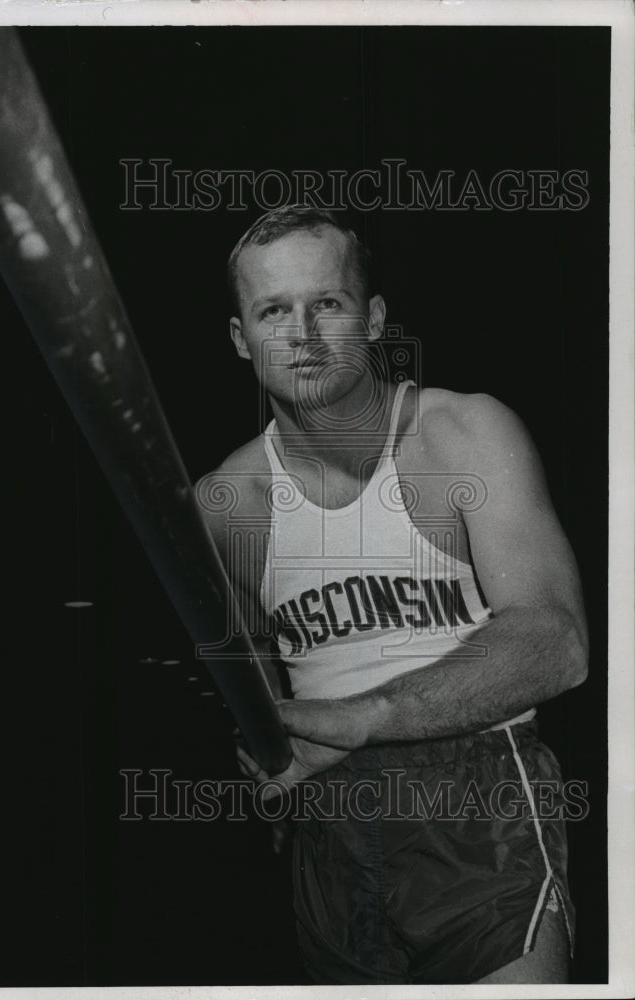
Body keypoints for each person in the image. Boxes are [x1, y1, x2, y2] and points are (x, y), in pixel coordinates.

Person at [196, 205, 587, 985]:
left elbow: (557, 644)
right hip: (329, 825)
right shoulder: (222, 504)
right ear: (240, 337)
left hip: (475, 798)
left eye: (326, 303)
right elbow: (253, 683)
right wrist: (268, 750)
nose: (302, 334)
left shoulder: (461, 434)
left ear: (372, 318)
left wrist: (358, 717)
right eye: (273, 311)